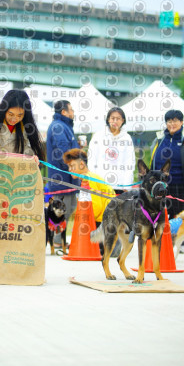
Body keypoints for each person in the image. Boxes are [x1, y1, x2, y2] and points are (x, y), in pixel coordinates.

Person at [150, 109, 184, 221]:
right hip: (160, 185)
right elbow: (152, 160)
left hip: (182, 186)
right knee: (160, 217)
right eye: (169, 121)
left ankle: (180, 238)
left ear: (182, 122)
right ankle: (164, 238)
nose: (172, 124)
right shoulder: (159, 139)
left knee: (181, 217)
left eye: (175, 121)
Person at [63, 148, 115, 253]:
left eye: (72, 166)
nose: (69, 169)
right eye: (69, 167)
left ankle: (108, 244)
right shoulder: (90, 177)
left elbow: (95, 208)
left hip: (107, 223)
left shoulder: (88, 179)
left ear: (81, 165)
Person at [46, 100, 80, 246]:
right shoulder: (59, 127)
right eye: (71, 110)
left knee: (70, 206)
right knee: (62, 209)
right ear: (64, 112)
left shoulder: (64, 126)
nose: (73, 113)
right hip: (62, 178)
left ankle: (57, 238)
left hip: (68, 178)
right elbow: (62, 152)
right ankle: (56, 239)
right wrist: (71, 168)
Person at [87, 107, 136, 194]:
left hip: (120, 186)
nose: (115, 121)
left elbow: (129, 162)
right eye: (113, 118)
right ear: (108, 120)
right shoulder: (98, 136)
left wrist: (127, 185)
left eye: (118, 119)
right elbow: (91, 160)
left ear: (123, 120)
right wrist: (94, 183)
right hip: (101, 185)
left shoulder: (127, 138)